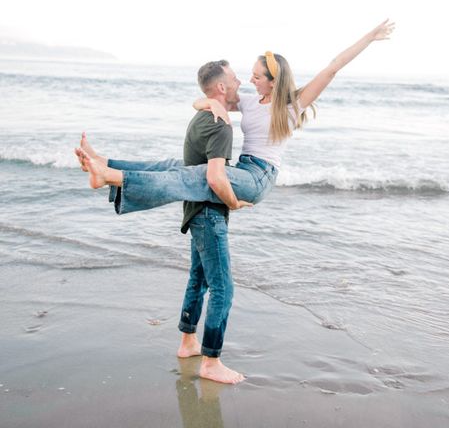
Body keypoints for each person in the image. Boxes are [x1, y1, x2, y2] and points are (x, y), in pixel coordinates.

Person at [76, 20, 395, 212]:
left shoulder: (291, 106)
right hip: (242, 169)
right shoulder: (249, 100)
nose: (250, 79)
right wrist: (211, 105)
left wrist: (370, 36)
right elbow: (200, 99)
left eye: (257, 76)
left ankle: (111, 178)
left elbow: (333, 66)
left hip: (259, 178)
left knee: (196, 176)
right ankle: (106, 163)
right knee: (176, 166)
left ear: (273, 80)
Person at [177, 60, 249, 383]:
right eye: (234, 78)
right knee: (223, 287)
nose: (239, 81)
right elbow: (216, 177)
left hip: (195, 212)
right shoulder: (221, 125)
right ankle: (211, 361)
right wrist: (235, 202)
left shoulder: (203, 115)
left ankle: (188, 342)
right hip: (208, 213)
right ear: (221, 87)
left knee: (199, 277)